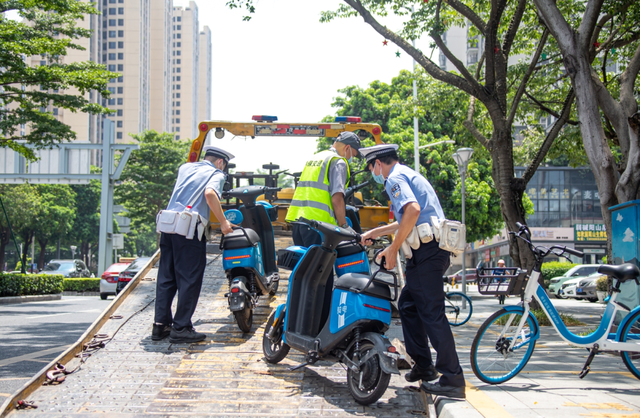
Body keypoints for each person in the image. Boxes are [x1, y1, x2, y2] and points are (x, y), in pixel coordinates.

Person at [359, 143, 466, 399]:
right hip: (428, 252)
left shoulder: (394, 177)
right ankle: (424, 367)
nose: (373, 175)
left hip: (428, 252)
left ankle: (452, 378)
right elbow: (407, 218)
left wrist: (394, 248)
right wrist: (376, 232)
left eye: (371, 169)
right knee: (408, 304)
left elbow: (413, 211)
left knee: (431, 313)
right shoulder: (407, 173)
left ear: (377, 164)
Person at [153, 146, 234, 344]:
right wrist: (223, 222)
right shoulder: (217, 174)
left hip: (168, 227)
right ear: (221, 162)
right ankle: (181, 327)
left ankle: (160, 326)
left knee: (166, 277)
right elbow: (209, 194)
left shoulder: (185, 168)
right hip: (189, 231)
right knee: (189, 279)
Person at [285, 131, 362, 247]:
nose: (352, 158)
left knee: (305, 264)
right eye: (353, 155)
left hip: (299, 222)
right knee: (321, 265)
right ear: (347, 148)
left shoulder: (316, 158)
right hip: (318, 225)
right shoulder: (338, 162)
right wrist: (344, 226)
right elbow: (337, 198)